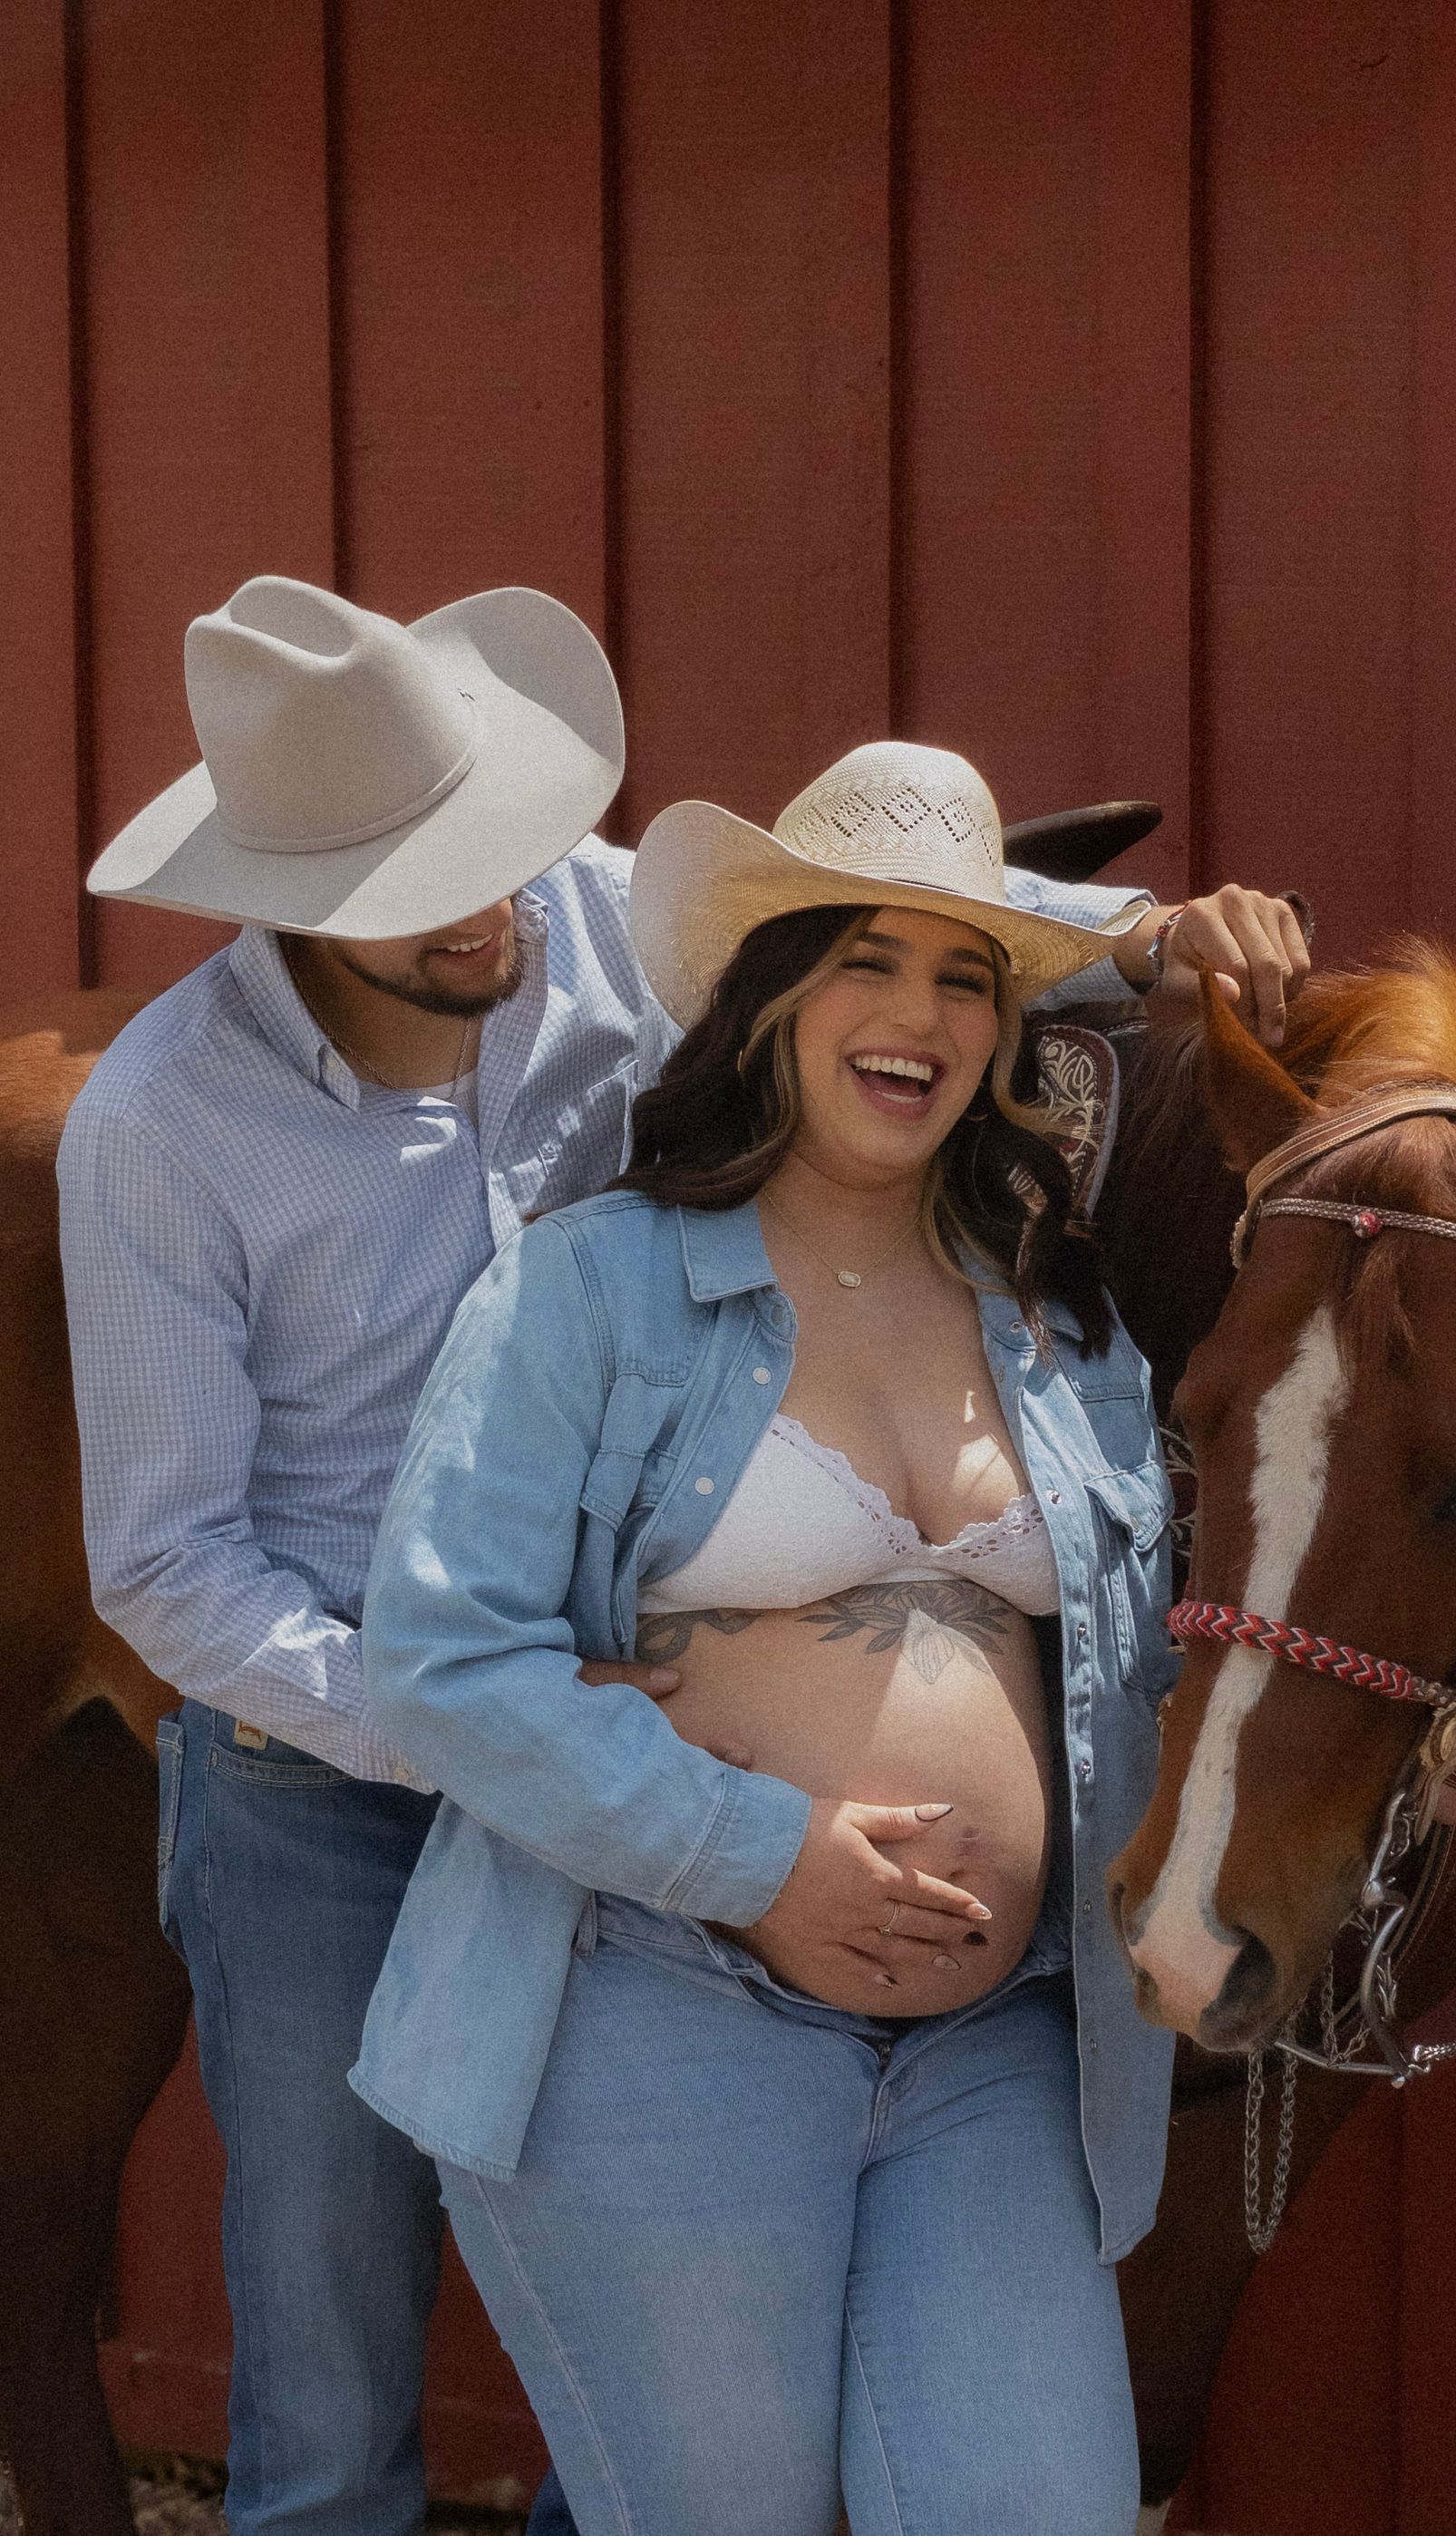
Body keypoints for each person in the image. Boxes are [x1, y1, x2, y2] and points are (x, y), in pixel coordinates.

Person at [58, 583, 1299, 2535]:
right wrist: (536, 1748)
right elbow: (167, 1564)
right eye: (412, 889)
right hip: (324, 1754)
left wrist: (1150, 940)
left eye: (492, 855)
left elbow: (906, 967)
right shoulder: (162, 1127)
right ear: (287, 897)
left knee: (657, 2424)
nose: (482, 909)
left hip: (683, 1803)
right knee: (333, 2354)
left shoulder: (594, 929)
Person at [354, 743, 1303, 2536]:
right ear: (774, 997)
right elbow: (438, 1655)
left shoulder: (1062, 1326)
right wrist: (763, 1853)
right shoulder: (594, 1286)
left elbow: (1150, 1666)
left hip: (996, 2054)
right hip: (659, 2013)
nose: (918, 1012)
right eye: (864, 957)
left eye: (965, 975)